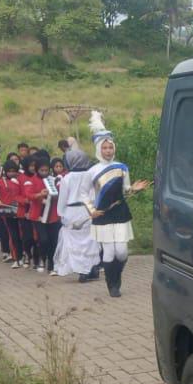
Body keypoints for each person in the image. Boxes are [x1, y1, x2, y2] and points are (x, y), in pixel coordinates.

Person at [88, 118, 149, 298]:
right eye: (105, 148)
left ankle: (117, 276)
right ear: (99, 149)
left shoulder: (122, 168)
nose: (108, 151)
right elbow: (85, 194)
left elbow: (125, 190)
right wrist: (91, 210)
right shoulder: (92, 171)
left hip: (120, 212)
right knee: (109, 252)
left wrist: (133, 189)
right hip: (102, 215)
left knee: (121, 252)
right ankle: (112, 285)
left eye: (110, 147)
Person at [53, 146, 101, 281]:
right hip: (87, 210)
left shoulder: (67, 178)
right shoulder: (90, 176)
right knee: (88, 241)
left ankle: (81, 269)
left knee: (74, 242)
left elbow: (63, 198)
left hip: (71, 211)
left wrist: (61, 213)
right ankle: (89, 269)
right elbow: (94, 195)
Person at [17, 158, 46, 270]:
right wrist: (24, 201)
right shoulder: (20, 178)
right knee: (27, 237)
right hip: (24, 211)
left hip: (37, 211)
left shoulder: (41, 178)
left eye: (34, 166)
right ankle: (27, 255)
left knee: (37, 238)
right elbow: (16, 195)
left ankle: (37, 259)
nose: (33, 168)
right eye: (31, 166)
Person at [35, 158, 63, 274]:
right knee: (43, 240)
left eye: (46, 170)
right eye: (42, 170)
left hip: (53, 215)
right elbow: (28, 195)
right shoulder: (34, 180)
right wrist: (39, 194)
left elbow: (61, 195)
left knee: (53, 240)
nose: (44, 172)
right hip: (39, 216)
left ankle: (52, 264)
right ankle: (42, 258)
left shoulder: (54, 180)